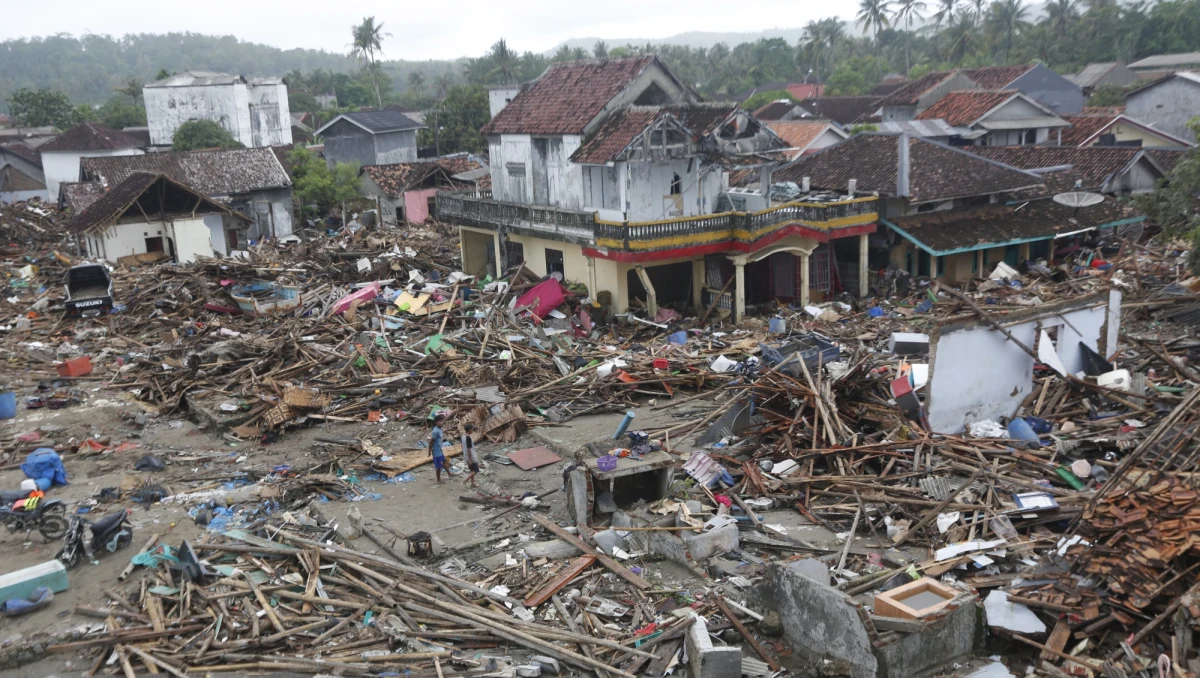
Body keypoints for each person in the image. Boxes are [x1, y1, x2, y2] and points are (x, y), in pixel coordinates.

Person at [429, 413, 453, 483]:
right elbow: (431, 441)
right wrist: (429, 450)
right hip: (436, 451)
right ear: (436, 422)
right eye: (440, 421)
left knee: (445, 461)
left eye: (442, 421)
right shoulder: (435, 431)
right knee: (438, 466)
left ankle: (449, 474)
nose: (441, 423)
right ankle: (438, 480)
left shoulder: (439, 429)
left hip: (439, 450)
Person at [461, 423, 479, 488]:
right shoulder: (468, 438)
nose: (472, 430)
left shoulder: (463, 436)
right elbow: (469, 449)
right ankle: (465, 481)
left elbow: (462, 446)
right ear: (469, 430)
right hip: (471, 456)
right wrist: (470, 459)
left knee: (472, 470)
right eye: (472, 429)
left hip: (466, 455)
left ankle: (472, 483)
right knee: (476, 470)